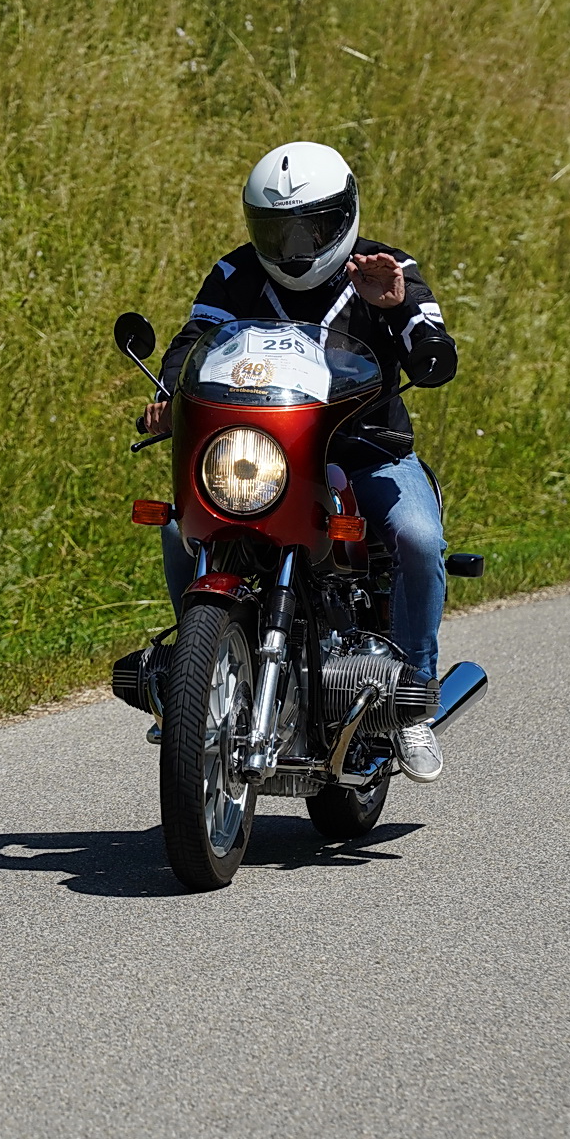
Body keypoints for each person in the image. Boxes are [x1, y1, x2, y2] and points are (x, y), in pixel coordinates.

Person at [142, 141, 458, 783]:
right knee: (180, 527)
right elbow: (193, 342)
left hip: (365, 450)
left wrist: (396, 307)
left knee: (421, 541)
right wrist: (169, 393)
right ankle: (197, 680)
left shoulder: (387, 268)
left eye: (310, 228)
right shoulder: (235, 276)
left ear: (342, 217)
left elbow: (434, 356)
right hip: (267, 453)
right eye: (278, 230)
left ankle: (415, 700)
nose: (294, 247)